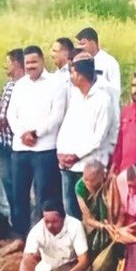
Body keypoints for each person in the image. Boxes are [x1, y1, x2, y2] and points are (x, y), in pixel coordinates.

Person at [7, 45, 67, 237]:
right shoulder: (20, 85)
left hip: (45, 148)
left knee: (44, 194)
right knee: (19, 195)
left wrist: (36, 133)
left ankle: (44, 236)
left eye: (34, 62)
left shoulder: (56, 83)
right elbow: (11, 114)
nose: (31, 66)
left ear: (42, 61)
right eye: (27, 63)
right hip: (21, 147)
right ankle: (21, 236)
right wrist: (22, 134)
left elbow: (57, 114)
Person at [57, 57, 111, 219]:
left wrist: (76, 155)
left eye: (72, 73)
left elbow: (99, 136)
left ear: (80, 75)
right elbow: (67, 126)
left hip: (88, 166)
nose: (71, 77)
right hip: (67, 165)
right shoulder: (76, 97)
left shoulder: (102, 99)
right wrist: (61, 152)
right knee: (70, 208)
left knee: (91, 211)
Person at [18, 201, 90, 271]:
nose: (50, 225)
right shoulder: (37, 230)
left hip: (71, 268)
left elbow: (84, 260)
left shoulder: (75, 226)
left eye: (54, 222)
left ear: (63, 218)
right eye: (47, 222)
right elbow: (27, 257)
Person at [75, 159, 117, 271]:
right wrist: (102, 226)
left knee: (108, 263)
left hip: (110, 228)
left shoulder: (109, 184)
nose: (87, 183)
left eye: (91, 180)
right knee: (91, 263)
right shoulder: (80, 186)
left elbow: (114, 210)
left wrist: (110, 226)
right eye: (85, 179)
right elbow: (87, 217)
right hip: (92, 230)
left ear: (101, 176)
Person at [75, 26, 121, 152]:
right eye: (79, 44)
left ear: (93, 42)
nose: (81, 47)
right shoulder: (80, 62)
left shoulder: (109, 62)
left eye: (83, 43)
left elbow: (115, 92)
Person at [0, 48, 24, 218]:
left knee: (18, 183)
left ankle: (20, 219)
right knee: (6, 181)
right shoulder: (9, 85)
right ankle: (12, 217)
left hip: (16, 143)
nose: (6, 66)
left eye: (8, 62)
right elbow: (2, 112)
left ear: (17, 64)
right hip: (2, 142)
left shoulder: (25, 87)